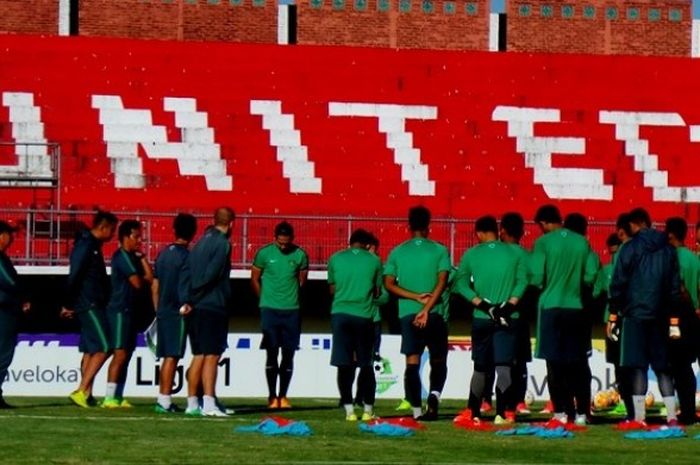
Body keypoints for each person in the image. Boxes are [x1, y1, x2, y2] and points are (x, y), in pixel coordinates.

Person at [609, 208, 680, 427]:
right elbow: (674, 287)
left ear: (634, 224)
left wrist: (613, 314)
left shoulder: (629, 248)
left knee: (637, 366)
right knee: (663, 367)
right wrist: (674, 321)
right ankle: (671, 416)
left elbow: (618, 283)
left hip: (635, 314)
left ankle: (640, 418)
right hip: (660, 315)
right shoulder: (668, 250)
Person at [454, 215, 527, 425]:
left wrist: (484, 305)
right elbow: (523, 281)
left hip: (481, 317)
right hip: (507, 317)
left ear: (478, 233)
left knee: (480, 368)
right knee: (504, 366)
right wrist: (508, 305)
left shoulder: (471, 254)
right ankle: (503, 414)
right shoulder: (515, 253)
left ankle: (473, 412)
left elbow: (461, 284)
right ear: (497, 231)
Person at [531, 205, 598, 425]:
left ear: (543, 223)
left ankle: (560, 411)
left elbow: (537, 277)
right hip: (576, 308)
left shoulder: (543, 243)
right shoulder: (582, 242)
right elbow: (589, 277)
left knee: (554, 363)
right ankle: (581, 413)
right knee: (578, 362)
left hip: (550, 307)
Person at [384, 206, 450, 421]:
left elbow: (389, 284)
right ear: (429, 226)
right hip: (435, 314)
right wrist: (428, 308)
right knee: (438, 360)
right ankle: (434, 396)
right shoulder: (440, 250)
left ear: (409, 226)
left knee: (412, 362)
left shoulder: (397, 251)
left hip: (409, 315)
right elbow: (442, 281)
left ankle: (416, 411)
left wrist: (415, 299)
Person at [63, 211, 118, 408]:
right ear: (103, 228)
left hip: (91, 302)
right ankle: (80, 390)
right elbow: (75, 275)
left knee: (89, 349)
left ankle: (86, 393)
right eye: (112, 230)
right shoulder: (86, 245)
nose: (113, 235)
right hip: (89, 303)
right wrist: (69, 303)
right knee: (104, 346)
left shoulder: (92, 245)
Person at [251, 221, 309, 409]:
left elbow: (302, 281)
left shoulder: (300, 255)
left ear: (292, 239)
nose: (283, 246)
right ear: (275, 238)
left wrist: (291, 297)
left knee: (288, 354)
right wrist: (264, 299)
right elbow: (254, 278)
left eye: (286, 243)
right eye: (280, 243)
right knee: (271, 352)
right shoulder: (264, 253)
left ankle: (283, 395)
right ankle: (271, 396)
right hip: (270, 310)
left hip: (291, 310)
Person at [185, 207, 235, 417]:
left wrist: (189, 300)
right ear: (232, 223)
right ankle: (209, 402)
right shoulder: (222, 243)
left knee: (199, 354)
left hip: (197, 306)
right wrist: (197, 296)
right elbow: (212, 275)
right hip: (212, 304)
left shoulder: (200, 242)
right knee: (212, 354)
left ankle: (192, 403)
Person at [328, 229, 383, 421]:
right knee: (365, 363)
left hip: (341, 314)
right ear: (368, 245)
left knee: (344, 364)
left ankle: (349, 410)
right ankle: (368, 410)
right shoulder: (374, 260)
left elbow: (332, 288)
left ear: (350, 242)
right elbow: (377, 290)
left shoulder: (335, 258)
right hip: (364, 315)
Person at [101, 220, 153, 408]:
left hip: (130, 310)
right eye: (136, 236)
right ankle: (108, 396)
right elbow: (139, 283)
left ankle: (118, 395)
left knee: (128, 353)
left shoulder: (133, 257)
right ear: (125, 237)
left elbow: (150, 276)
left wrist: (143, 258)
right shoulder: (121, 256)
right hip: (120, 310)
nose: (140, 240)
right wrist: (142, 274)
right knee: (120, 353)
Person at [151, 213, 197, 414]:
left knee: (168, 356)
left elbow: (155, 284)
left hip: (163, 310)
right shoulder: (186, 257)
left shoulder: (163, 254)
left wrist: (157, 308)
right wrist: (186, 304)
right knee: (172, 356)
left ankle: (164, 399)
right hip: (177, 312)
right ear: (192, 233)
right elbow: (184, 286)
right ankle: (164, 400)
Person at [499, 212, 535, 416]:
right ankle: (519, 401)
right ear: (522, 232)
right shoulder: (527, 256)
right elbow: (535, 282)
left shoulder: (495, 254)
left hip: (496, 314)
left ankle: (489, 401)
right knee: (520, 361)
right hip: (519, 316)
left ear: (502, 230)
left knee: (497, 361)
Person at [664, 217, 699, 425]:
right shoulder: (695, 260)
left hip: (673, 318)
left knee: (676, 366)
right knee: (685, 366)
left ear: (670, 234)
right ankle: (688, 410)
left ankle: (682, 411)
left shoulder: (668, 258)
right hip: (693, 319)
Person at [593, 232, 626, 417]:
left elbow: (596, 292)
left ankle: (623, 398)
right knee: (628, 361)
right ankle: (629, 398)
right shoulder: (631, 268)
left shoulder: (606, 271)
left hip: (611, 320)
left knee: (616, 361)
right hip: (629, 318)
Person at [0, 221, 30, 408]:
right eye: (9, 234)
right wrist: (22, 298)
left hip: (6, 309)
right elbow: (10, 282)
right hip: (4, 312)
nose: (11, 238)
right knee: (3, 354)